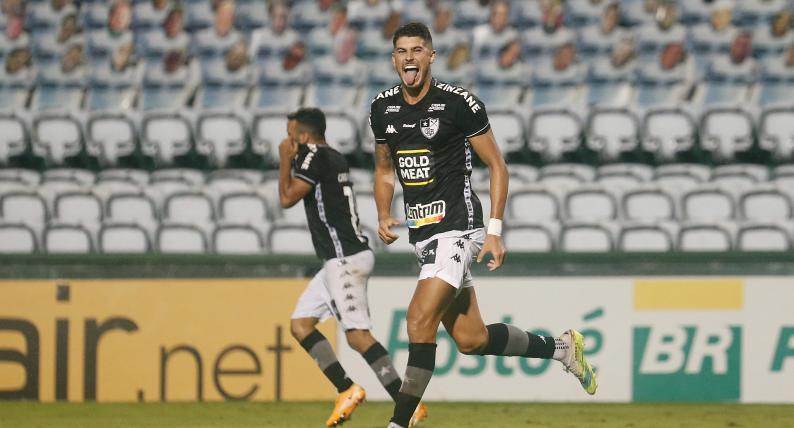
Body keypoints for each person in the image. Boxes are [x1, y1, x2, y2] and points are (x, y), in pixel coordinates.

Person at [369, 22, 597, 428]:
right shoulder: (382, 109)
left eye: (417, 50)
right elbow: (385, 168)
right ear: (393, 59)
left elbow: (497, 165)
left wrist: (494, 230)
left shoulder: (459, 104)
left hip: (460, 226)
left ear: (431, 56)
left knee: (419, 319)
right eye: (402, 51)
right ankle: (563, 349)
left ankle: (398, 423)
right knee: (471, 340)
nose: (409, 58)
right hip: (423, 234)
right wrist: (384, 212)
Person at [278, 108, 428, 428]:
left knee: (358, 336)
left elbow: (287, 197)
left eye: (291, 136)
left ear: (304, 136)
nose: (288, 142)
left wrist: (283, 160)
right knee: (301, 324)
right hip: (340, 256)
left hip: (343, 257)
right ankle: (346, 388)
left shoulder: (314, 156)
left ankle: (408, 405)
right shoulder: (333, 156)